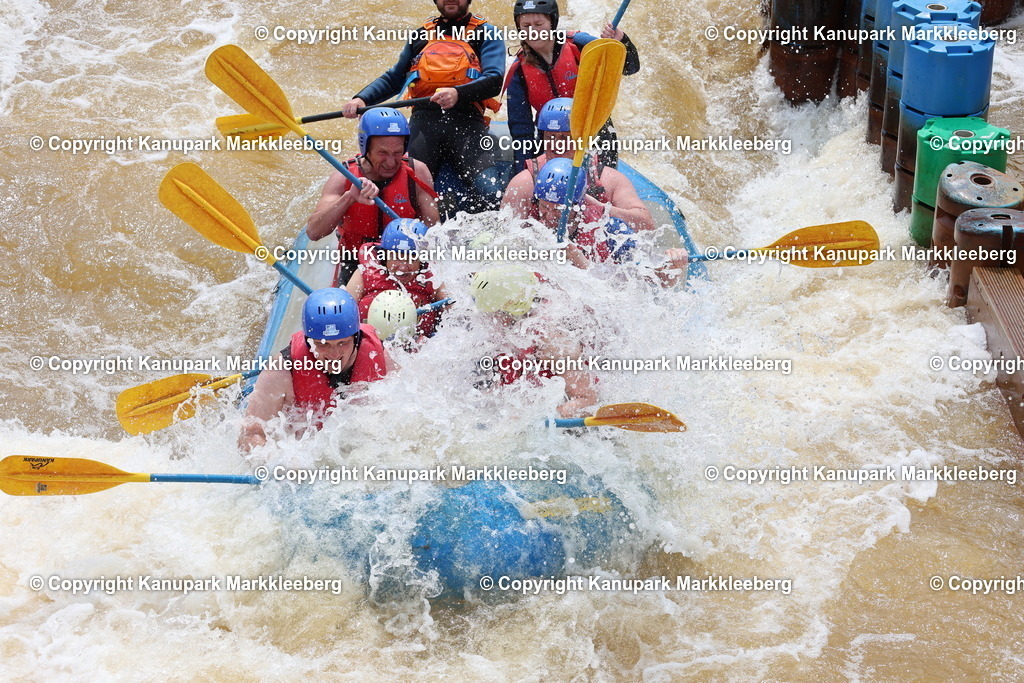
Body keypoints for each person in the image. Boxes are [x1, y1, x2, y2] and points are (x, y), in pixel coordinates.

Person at [341, 0, 506, 215]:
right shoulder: (420, 36)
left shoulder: (486, 33)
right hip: (424, 123)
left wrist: (458, 93)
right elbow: (394, 78)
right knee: (403, 187)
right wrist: (361, 100)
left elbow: (494, 79)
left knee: (489, 190)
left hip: (467, 122)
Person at [239, 288, 391, 451]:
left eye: (342, 343)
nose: (334, 354)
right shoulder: (282, 369)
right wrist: (277, 463)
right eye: (323, 344)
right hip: (303, 451)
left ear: (356, 338)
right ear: (308, 340)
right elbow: (250, 435)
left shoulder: (379, 354)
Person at [306, 109, 440, 286]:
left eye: (397, 153)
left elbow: (434, 231)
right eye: (383, 153)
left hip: (405, 261)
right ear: (366, 148)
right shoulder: (343, 176)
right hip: (356, 261)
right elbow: (314, 232)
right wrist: (349, 197)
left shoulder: (417, 171)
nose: (391, 162)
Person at [503, 0, 640, 172]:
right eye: (526, 25)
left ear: (552, 23)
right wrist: (524, 171)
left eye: (539, 24)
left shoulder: (580, 44)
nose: (533, 31)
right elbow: (521, 128)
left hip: (593, 129)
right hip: (550, 135)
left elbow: (631, 68)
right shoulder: (518, 70)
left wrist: (621, 41)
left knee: (600, 186)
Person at [516, 157, 689, 287]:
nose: (550, 216)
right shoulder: (530, 225)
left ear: (578, 206)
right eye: (545, 207)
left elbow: (645, 284)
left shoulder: (611, 231)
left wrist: (671, 269)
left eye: (559, 210)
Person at [501, 98, 654, 233]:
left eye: (565, 137)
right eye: (550, 137)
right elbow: (506, 238)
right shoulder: (525, 183)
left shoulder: (607, 179)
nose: (557, 144)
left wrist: (600, 207)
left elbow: (647, 225)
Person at [470, 266, 597, 418]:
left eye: (490, 314)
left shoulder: (551, 339)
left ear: (508, 312)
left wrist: (533, 420)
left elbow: (588, 399)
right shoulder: (496, 338)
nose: (485, 319)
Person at [346, 218, 449, 338]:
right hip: (370, 344)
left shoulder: (433, 277)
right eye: (396, 257)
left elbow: (454, 308)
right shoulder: (365, 273)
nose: (403, 267)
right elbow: (345, 310)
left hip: (420, 347)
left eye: (411, 259)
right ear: (384, 257)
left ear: (422, 261)